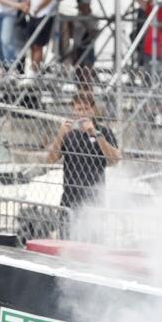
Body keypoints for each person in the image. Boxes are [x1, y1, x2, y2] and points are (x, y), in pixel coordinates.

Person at [46, 92, 119, 228]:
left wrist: (96, 135)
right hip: (69, 199)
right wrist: (61, 134)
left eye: (86, 109)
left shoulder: (104, 131)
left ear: (93, 110)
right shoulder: (69, 133)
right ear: (73, 111)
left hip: (94, 199)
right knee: (66, 240)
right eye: (79, 109)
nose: (83, 113)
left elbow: (114, 159)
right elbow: (50, 160)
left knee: (93, 242)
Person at [61, 0, 98, 84]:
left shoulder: (93, 18)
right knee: (77, 68)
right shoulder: (76, 18)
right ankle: (78, 84)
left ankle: (86, 84)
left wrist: (85, 22)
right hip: (77, 46)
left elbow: (94, 33)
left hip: (88, 46)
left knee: (87, 68)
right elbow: (70, 32)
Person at [26, 0, 58, 74]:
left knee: (38, 45)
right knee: (31, 44)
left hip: (45, 14)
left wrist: (37, 8)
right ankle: (33, 70)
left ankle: (33, 72)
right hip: (33, 14)